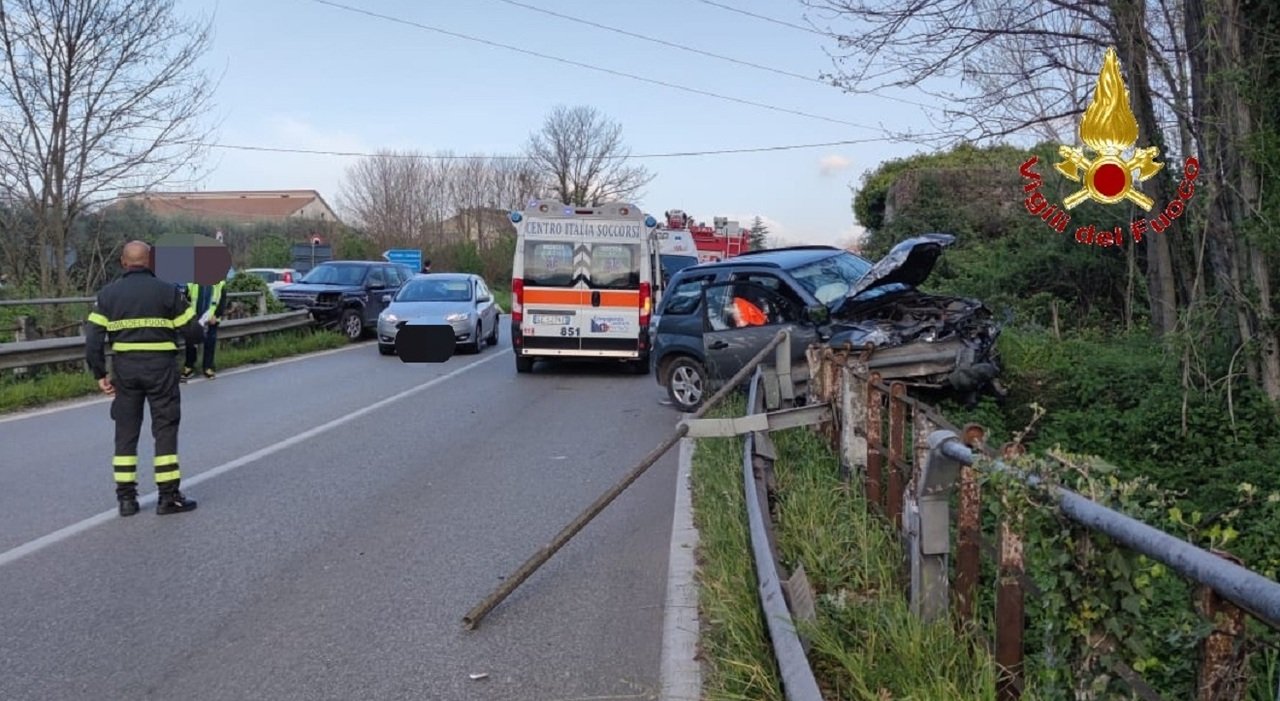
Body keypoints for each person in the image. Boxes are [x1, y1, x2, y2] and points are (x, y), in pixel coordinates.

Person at [85, 240, 204, 517]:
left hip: (125, 371)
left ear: (124, 263)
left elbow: (92, 339)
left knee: (126, 433)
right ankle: (168, 497)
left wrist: (100, 373)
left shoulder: (107, 295)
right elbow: (194, 333)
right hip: (161, 370)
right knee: (164, 429)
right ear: (150, 262)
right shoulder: (167, 292)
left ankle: (126, 500)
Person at [183, 273, 226, 379]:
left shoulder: (220, 282)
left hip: (211, 318)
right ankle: (189, 366)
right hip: (194, 318)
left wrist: (216, 315)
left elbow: (222, 301)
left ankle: (208, 367)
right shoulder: (192, 281)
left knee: (210, 343)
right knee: (190, 343)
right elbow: (185, 299)